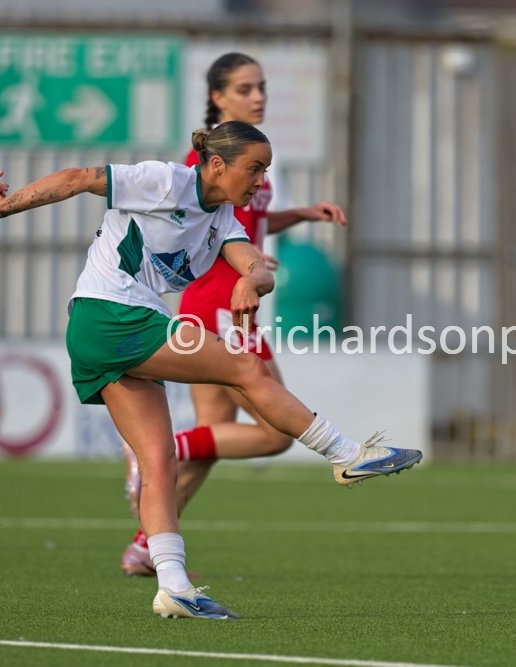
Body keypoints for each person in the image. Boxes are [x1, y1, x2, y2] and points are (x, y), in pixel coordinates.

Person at [0, 121, 422, 620]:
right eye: (253, 169)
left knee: (161, 462)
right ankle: (345, 454)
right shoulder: (167, 181)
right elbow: (80, 176)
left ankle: (172, 585)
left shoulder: (225, 220)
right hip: (112, 314)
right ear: (216, 164)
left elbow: (254, 264)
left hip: (111, 325)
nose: (260, 181)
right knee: (246, 369)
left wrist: (251, 282)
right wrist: (5, 205)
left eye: (265, 171)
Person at [119, 52, 355, 577]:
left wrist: (301, 214)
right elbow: (201, 228)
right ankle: (156, 448)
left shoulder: (250, 155)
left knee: (214, 434)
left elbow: (248, 221)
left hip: (227, 300)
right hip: (223, 303)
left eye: (262, 87)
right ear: (218, 97)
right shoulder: (212, 160)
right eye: (245, 88)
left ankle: (144, 546)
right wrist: (244, 266)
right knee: (274, 431)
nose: (259, 96)